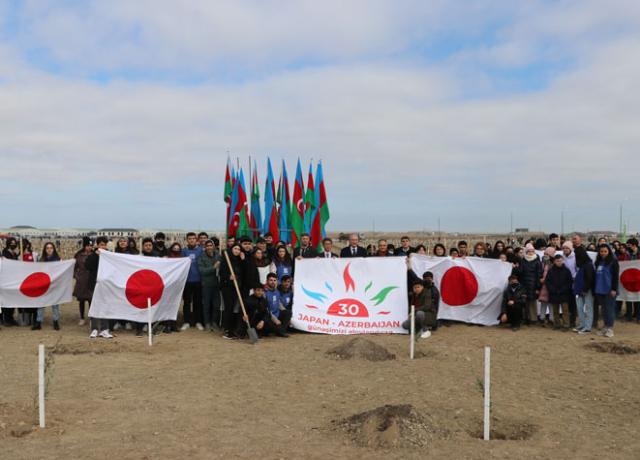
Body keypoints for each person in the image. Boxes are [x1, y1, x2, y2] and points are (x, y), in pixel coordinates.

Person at [85, 236, 113, 339]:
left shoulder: (110, 255)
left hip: (106, 285)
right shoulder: (93, 255)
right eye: (101, 244)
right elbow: (87, 266)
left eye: (105, 244)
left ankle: (105, 329)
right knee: (95, 306)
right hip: (94, 284)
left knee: (105, 306)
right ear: (97, 245)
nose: (103, 246)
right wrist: (95, 255)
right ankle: (95, 329)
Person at [32, 242, 62, 331]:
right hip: (43, 285)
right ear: (45, 250)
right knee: (41, 304)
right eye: (47, 248)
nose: (49, 249)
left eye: (51, 248)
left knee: (55, 304)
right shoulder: (41, 260)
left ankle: (56, 321)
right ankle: (38, 322)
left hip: (54, 285)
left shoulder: (58, 260)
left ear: (54, 249)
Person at [593, 244, 619, 338]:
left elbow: (616, 276)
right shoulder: (598, 262)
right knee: (603, 310)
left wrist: (614, 289)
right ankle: (605, 326)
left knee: (609, 309)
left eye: (605, 251)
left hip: (609, 290)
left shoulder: (613, 262)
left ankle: (610, 328)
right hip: (600, 289)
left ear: (609, 252)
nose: (603, 253)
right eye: (601, 251)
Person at [181, 232, 204, 331]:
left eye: (193, 238)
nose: (191, 240)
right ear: (187, 240)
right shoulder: (184, 251)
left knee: (197, 302)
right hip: (187, 281)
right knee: (187, 302)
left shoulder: (201, 250)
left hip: (198, 280)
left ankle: (197, 321)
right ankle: (186, 322)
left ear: (196, 240)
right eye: (189, 238)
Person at [220, 243, 244, 339]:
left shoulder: (239, 261)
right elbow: (221, 273)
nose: (237, 251)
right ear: (231, 249)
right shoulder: (226, 260)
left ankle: (232, 329)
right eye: (235, 248)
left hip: (237, 287)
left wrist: (243, 260)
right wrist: (228, 277)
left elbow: (243, 272)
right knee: (228, 308)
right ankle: (227, 330)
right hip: (228, 288)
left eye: (238, 249)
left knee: (234, 309)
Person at [545, 255, 574, 331]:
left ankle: (566, 325)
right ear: (554, 261)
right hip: (554, 293)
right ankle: (557, 324)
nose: (559, 262)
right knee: (555, 310)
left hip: (564, 293)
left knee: (565, 310)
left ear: (563, 261)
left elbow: (569, 282)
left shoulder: (566, 270)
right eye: (557, 261)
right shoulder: (551, 270)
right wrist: (552, 290)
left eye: (560, 260)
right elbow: (548, 282)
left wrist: (563, 290)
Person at [197, 239, 221, 331]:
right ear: (205, 247)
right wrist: (213, 268)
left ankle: (214, 322)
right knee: (206, 305)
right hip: (206, 285)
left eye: (211, 245)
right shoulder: (201, 257)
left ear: (213, 246)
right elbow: (202, 271)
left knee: (216, 305)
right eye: (207, 246)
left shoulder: (218, 256)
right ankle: (207, 323)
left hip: (217, 285)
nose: (209, 247)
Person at [518, 244, 543, 325]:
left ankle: (533, 318)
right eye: (529, 251)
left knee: (532, 302)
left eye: (532, 251)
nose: (531, 252)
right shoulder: (522, 261)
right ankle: (525, 318)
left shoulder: (537, 261)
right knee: (524, 302)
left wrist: (538, 287)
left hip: (533, 284)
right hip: (524, 284)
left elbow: (539, 275)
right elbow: (520, 273)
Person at [574, 246, 595, 334]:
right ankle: (582, 324)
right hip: (579, 289)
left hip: (587, 290)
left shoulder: (588, 265)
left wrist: (585, 289)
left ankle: (588, 327)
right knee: (579, 307)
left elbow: (590, 278)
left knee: (588, 308)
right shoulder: (582, 264)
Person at [73, 237, 93, 326]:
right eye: (88, 246)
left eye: (91, 246)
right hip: (81, 280)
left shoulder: (94, 255)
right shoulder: (79, 255)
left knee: (91, 300)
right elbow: (74, 267)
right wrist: (76, 276)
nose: (89, 248)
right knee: (81, 300)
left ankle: (92, 318)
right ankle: (82, 317)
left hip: (91, 280)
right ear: (84, 246)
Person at [1, 237, 19, 326]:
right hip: (6, 280)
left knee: (13, 300)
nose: (13, 244)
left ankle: (11, 318)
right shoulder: (4, 253)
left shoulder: (15, 254)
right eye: (11, 243)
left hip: (14, 280)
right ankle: (6, 319)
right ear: (8, 243)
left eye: (14, 243)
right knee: (6, 300)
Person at [537, 247, 556, 326]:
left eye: (547, 254)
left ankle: (552, 318)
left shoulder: (553, 264)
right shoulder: (541, 263)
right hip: (542, 286)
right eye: (545, 253)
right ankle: (542, 317)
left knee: (551, 303)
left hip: (550, 286)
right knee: (543, 302)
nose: (545, 255)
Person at [561, 241, 578, 327]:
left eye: (567, 248)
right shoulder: (562, 257)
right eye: (563, 248)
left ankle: (573, 321)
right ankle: (566, 321)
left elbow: (577, 269)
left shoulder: (575, 257)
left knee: (573, 303)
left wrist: (575, 277)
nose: (565, 250)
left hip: (573, 281)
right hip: (564, 282)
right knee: (565, 303)